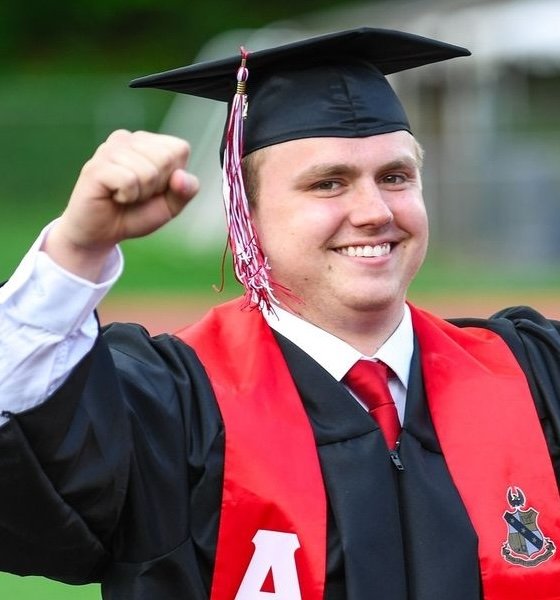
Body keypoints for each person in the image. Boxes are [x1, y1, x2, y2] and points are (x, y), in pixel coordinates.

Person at [1, 27, 559, 600]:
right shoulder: (169, 405)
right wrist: (77, 250)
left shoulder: (533, 377)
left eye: (394, 177)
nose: (373, 211)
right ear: (247, 210)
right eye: (328, 184)